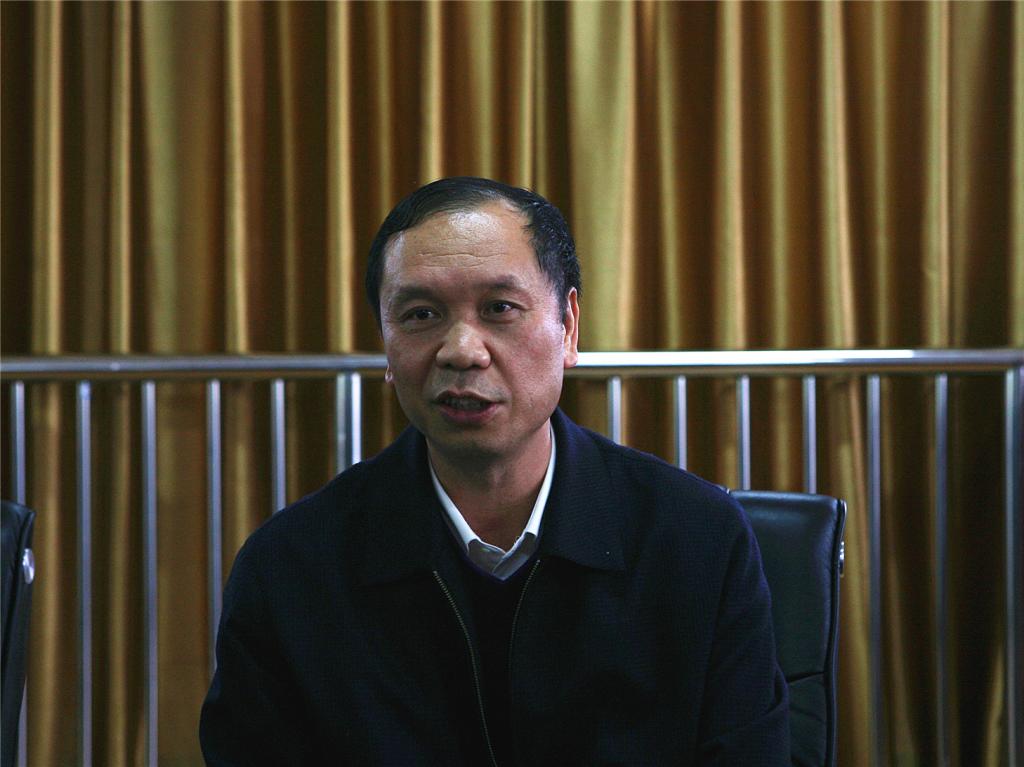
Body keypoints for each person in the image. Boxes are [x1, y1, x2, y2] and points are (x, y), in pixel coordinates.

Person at [199, 177, 789, 765]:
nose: (462, 350)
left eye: (499, 309)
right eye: (421, 314)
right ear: (386, 344)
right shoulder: (292, 568)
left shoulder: (697, 540)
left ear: (568, 327)